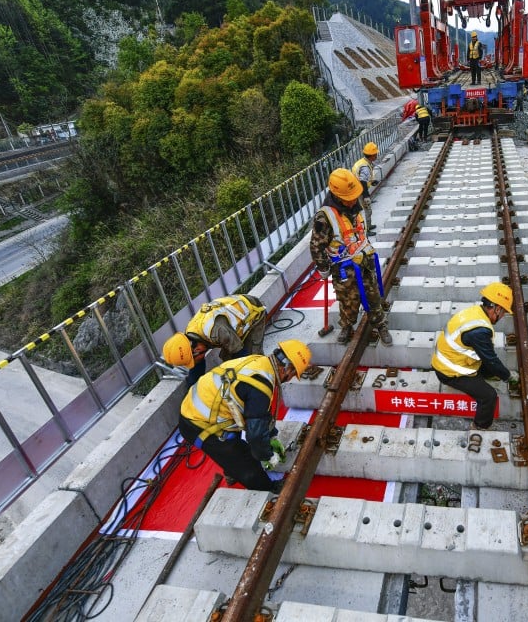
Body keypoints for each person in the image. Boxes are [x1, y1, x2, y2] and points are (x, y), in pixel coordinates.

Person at [179, 340, 311, 492]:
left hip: (196, 406)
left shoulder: (259, 362)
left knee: (232, 446)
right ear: (287, 370)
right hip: (199, 425)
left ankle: (231, 470)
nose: (290, 379)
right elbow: (255, 436)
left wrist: (271, 435)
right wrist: (267, 454)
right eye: (293, 375)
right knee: (245, 461)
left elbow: (258, 412)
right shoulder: (261, 387)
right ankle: (266, 488)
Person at [310, 168, 391, 345]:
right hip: (344, 268)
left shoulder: (354, 205)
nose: (353, 199)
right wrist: (323, 268)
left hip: (365, 262)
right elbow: (316, 246)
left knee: (373, 295)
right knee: (348, 300)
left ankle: (380, 324)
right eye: (349, 197)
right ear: (337, 195)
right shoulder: (325, 217)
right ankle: (347, 326)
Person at [431, 283, 519, 430]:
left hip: (451, 359)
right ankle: (480, 426)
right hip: (448, 372)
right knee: (489, 396)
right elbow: (491, 360)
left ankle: (489, 375)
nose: (502, 317)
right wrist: (508, 376)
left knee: (491, 368)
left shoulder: (475, 312)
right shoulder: (479, 331)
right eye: (503, 313)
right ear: (497, 308)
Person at [163, 294, 268, 386]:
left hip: (254, 311)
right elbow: (197, 367)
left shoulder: (217, 331)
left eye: (194, 359)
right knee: (229, 362)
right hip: (229, 326)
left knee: (253, 360)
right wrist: (192, 387)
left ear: (197, 349)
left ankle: (267, 380)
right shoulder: (191, 334)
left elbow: (241, 355)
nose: (196, 362)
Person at [351, 141, 379, 235]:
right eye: (375, 154)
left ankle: (369, 225)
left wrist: (371, 181)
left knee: (364, 211)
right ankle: (367, 230)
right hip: (361, 192)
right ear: (372, 155)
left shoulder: (362, 162)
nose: (376, 155)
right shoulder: (365, 167)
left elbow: (361, 178)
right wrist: (366, 196)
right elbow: (362, 182)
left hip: (356, 190)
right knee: (367, 210)